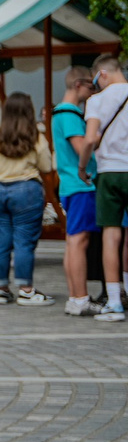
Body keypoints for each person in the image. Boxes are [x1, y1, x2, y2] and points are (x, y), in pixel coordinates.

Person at [0, 92, 55, 306]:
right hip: (26, 189)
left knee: (1, 241)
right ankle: (26, 289)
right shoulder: (35, 136)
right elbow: (47, 166)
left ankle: (2, 289)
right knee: (24, 242)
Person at [80, 56, 128, 320]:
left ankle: (114, 303)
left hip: (110, 171)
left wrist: (82, 166)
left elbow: (89, 139)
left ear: (102, 74)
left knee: (111, 235)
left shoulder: (97, 101)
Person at [54, 67, 98, 315]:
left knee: (73, 242)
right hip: (81, 184)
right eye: (91, 87)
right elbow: (82, 146)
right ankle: (80, 297)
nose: (93, 92)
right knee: (79, 241)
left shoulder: (58, 112)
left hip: (69, 184)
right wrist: (98, 135)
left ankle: (75, 296)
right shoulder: (70, 114)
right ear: (79, 84)